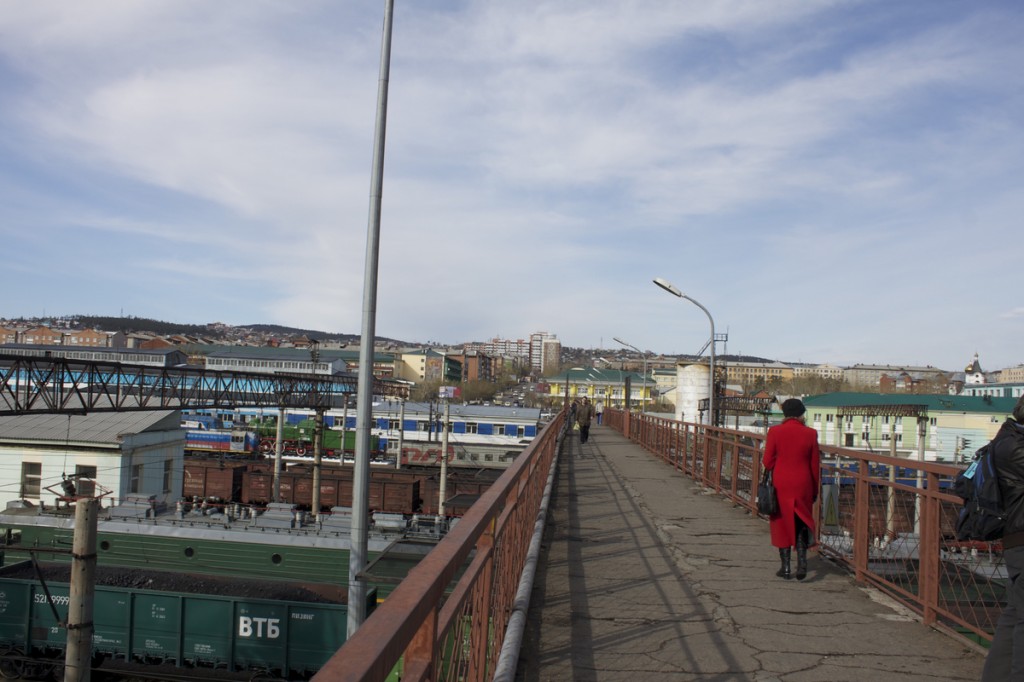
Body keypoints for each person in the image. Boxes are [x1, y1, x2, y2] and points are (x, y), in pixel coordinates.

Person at [981, 395, 1024, 681]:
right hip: (1021, 539)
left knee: (1015, 614)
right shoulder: (1016, 447)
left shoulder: (1008, 439)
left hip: (1016, 540)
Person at [762, 398, 820, 581]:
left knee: (780, 521)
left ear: (785, 414)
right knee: (801, 520)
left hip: (781, 483)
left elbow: (767, 461)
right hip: (803, 483)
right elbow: (814, 465)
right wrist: (814, 489)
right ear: (801, 414)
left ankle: (786, 567)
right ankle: (802, 564)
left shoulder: (775, 431)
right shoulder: (811, 433)